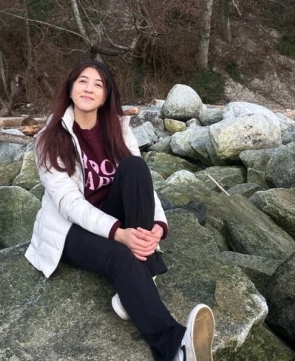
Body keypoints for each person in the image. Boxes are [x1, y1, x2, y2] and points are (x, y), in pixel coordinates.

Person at [25, 60, 215, 361]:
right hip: (71, 229)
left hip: (115, 217)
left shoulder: (118, 128)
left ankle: (135, 290)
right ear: (71, 88)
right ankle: (177, 347)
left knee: (136, 167)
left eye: (98, 84)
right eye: (83, 81)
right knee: (121, 256)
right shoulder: (50, 137)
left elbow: (144, 187)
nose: (89, 88)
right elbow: (69, 204)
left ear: (106, 96)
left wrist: (157, 227)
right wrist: (119, 234)